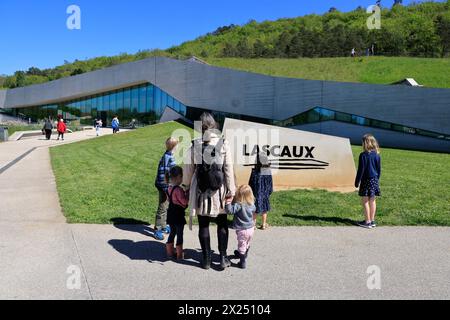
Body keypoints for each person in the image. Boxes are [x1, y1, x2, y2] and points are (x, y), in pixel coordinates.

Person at [183, 112, 236, 270]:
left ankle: (206, 260)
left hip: (201, 191)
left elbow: (188, 170)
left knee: (204, 225)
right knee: (222, 224)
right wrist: (231, 190)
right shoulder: (223, 143)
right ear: (214, 125)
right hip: (219, 191)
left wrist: (185, 186)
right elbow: (228, 169)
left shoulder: (194, 144)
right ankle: (223, 257)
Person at [154, 137, 179, 241]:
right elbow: (165, 174)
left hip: (165, 186)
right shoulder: (169, 158)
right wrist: (167, 188)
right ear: (174, 146)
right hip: (164, 186)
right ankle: (158, 229)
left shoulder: (168, 155)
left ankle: (164, 226)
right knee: (162, 207)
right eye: (178, 145)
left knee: (166, 206)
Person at [225, 185, 256, 269]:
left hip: (242, 230)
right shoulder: (252, 204)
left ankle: (242, 262)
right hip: (251, 228)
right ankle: (243, 253)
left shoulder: (239, 205)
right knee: (247, 242)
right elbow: (254, 213)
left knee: (241, 244)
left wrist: (228, 202)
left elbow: (230, 211)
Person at [355, 134, 382, 229]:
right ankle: (372, 220)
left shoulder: (363, 155)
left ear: (365, 143)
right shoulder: (377, 155)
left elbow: (360, 170)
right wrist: (377, 180)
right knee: (373, 200)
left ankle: (367, 221)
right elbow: (379, 170)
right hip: (374, 180)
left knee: (365, 201)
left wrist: (357, 182)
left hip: (366, 180)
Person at [165, 166, 189, 260]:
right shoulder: (178, 190)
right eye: (182, 177)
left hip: (170, 214)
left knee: (172, 232)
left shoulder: (169, 189)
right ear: (179, 177)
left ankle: (169, 252)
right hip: (178, 215)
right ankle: (179, 254)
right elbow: (184, 202)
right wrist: (187, 193)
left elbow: (169, 199)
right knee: (180, 234)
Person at [249, 152, 273, 230]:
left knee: (255, 210)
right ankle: (263, 224)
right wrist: (269, 192)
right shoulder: (268, 171)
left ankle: (253, 225)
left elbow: (250, 183)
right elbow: (270, 183)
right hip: (265, 194)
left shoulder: (254, 172)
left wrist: (251, 193)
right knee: (264, 210)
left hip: (256, 194)